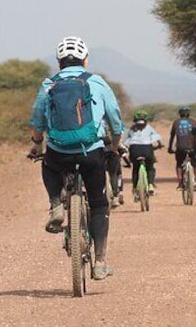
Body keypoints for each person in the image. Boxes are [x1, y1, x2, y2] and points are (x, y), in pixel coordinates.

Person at [28, 36, 125, 281]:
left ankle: (57, 205)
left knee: (48, 166)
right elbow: (114, 116)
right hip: (91, 151)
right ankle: (101, 262)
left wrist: (37, 144)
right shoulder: (97, 82)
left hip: (58, 152)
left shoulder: (49, 84)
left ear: (59, 61)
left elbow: (38, 119)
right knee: (100, 204)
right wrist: (115, 143)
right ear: (85, 59)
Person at [122, 109, 163, 197]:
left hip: (134, 150)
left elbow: (125, 142)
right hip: (147, 149)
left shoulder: (131, 129)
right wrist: (160, 145)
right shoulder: (149, 127)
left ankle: (134, 188)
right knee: (150, 167)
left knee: (136, 169)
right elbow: (157, 138)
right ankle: (151, 185)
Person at [168, 106, 196, 190]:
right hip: (192, 147)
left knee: (179, 164)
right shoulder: (193, 122)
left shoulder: (176, 122)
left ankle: (180, 184)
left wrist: (170, 148)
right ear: (188, 114)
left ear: (180, 114)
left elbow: (172, 136)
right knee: (195, 163)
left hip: (180, 147)